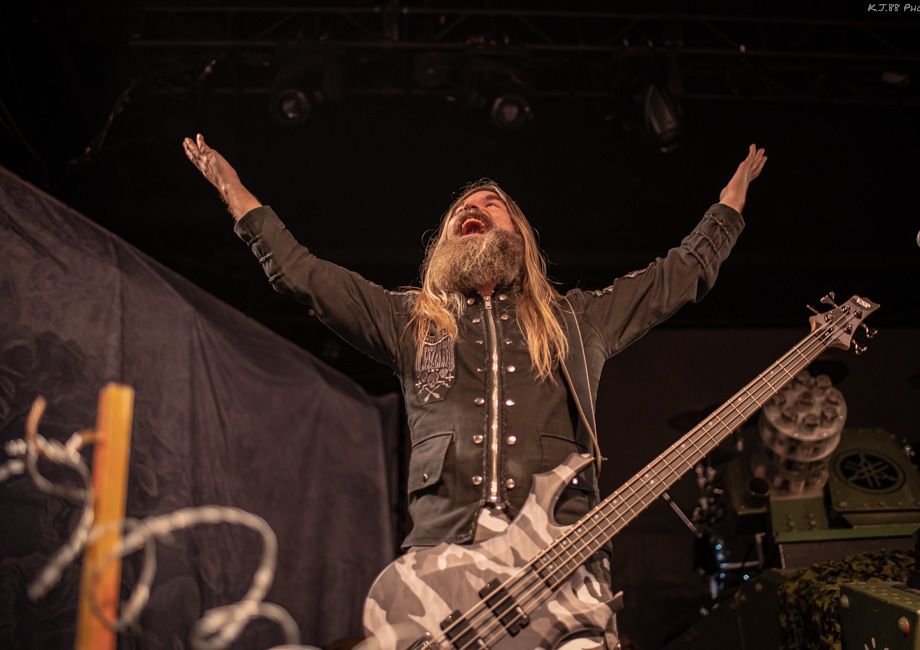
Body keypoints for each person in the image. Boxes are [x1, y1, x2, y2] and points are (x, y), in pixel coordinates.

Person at [183, 134, 766, 648]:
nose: (472, 207)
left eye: (491, 204)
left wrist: (728, 210)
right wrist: (235, 192)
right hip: (444, 556)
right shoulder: (411, 323)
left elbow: (676, 276)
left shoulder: (575, 320)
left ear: (519, 236)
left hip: (560, 553)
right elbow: (302, 272)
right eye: (462, 207)